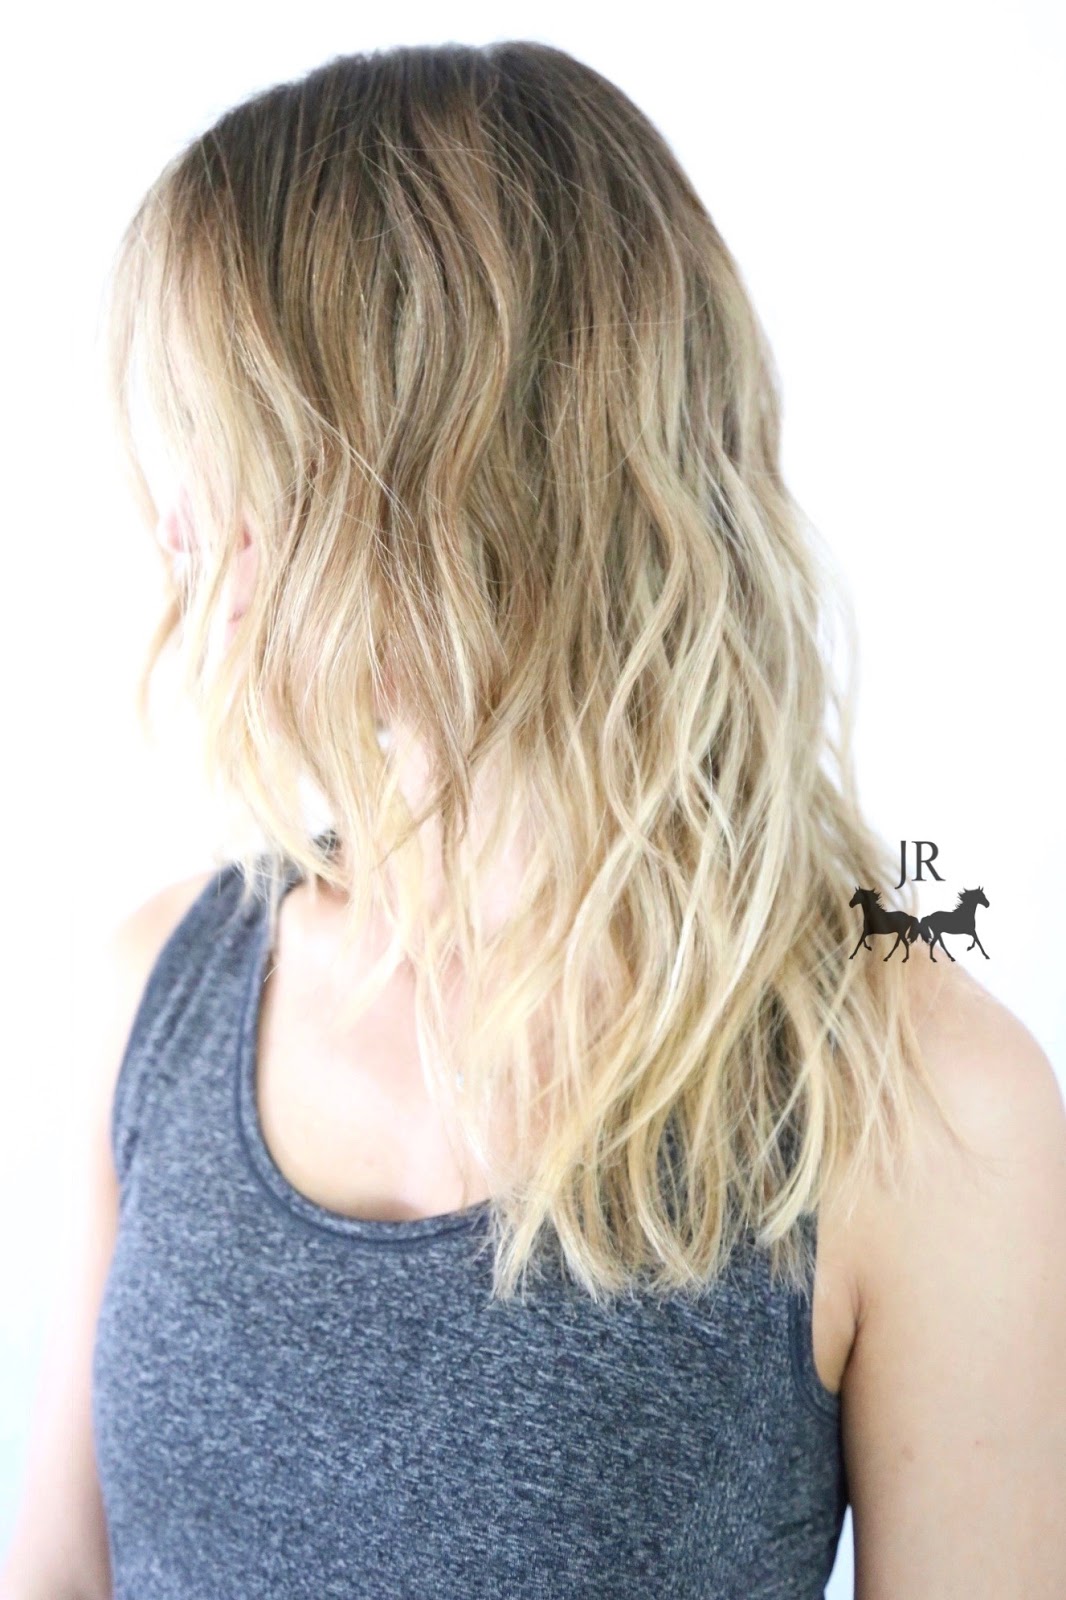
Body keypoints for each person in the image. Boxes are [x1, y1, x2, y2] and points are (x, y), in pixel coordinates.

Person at [4, 39, 1065, 1600]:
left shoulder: (920, 1099)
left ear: (448, 468)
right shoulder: (161, 986)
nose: (177, 524)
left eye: (236, 445)